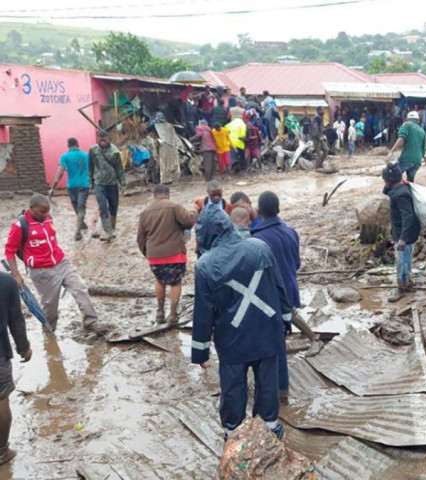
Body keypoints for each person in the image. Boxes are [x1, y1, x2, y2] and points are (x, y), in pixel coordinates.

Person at [191, 207, 291, 440]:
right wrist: (285, 319)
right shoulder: (260, 248)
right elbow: (279, 288)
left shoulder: (205, 265)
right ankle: (269, 434)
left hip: (232, 338)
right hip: (267, 330)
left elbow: (203, 313)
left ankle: (234, 437)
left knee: (233, 389)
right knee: (268, 385)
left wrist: (200, 352)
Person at [4, 194, 98, 332]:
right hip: (41, 271)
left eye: (48, 211)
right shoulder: (20, 225)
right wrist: (16, 274)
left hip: (62, 263)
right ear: (31, 209)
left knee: (80, 289)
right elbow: (9, 251)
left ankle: (91, 322)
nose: (46, 214)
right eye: (42, 211)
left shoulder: (47, 218)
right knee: (50, 305)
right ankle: (49, 332)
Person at [251, 191, 301, 403]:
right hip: (289, 294)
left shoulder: (257, 240)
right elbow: (297, 264)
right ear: (278, 210)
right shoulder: (291, 232)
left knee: (269, 346)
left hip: (268, 299)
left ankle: (270, 391)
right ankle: (283, 391)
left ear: (258, 212)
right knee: (279, 343)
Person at [137, 185, 198, 324]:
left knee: (160, 280)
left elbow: (140, 239)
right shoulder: (174, 206)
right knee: (175, 282)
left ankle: (160, 313)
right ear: (168, 194)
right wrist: (194, 210)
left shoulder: (145, 212)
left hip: (154, 257)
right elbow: (189, 221)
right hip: (174, 254)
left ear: (154, 195)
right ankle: (173, 315)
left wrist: (148, 254)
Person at [0, 272, 31, 465]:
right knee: (1, 400)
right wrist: (24, 348)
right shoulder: (6, 282)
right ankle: (2, 451)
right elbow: (16, 321)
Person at [382, 164, 420, 302]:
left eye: (385, 180)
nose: (384, 183)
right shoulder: (398, 188)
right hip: (405, 232)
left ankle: (401, 288)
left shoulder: (402, 194)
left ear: (390, 181)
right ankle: (409, 282)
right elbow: (385, 192)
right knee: (406, 260)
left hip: (406, 234)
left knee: (401, 262)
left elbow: (408, 217)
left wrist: (403, 239)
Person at [49, 138, 90, 241]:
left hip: (71, 186)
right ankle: (80, 228)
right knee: (81, 208)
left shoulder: (65, 157)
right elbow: (91, 170)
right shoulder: (86, 156)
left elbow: (60, 173)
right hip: (83, 185)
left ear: (68, 145)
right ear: (78, 144)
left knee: (76, 206)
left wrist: (52, 188)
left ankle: (78, 229)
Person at [89, 130, 126, 242]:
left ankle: (112, 229)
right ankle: (107, 231)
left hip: (112, 183)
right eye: (100, 140)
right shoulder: (93, 150)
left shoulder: (114, 151)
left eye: (104, 139)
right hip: (99, 183)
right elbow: (90, 166)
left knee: (113, 207)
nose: (102, 142)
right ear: (97, 139)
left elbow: (119, 168)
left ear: (108, 139)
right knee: (103, 207)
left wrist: (123, 183)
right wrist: (90, 181)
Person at [386, 110, 426, 183]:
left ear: (407, 118)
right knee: (410, 181)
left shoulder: (406, 125)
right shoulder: (422, 130)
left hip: (407, 159)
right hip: (417, 161)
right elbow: (423, 150)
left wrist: (391, 151)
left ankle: (392, 192)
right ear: (418, 120)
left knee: (393, 175)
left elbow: (401, 140)